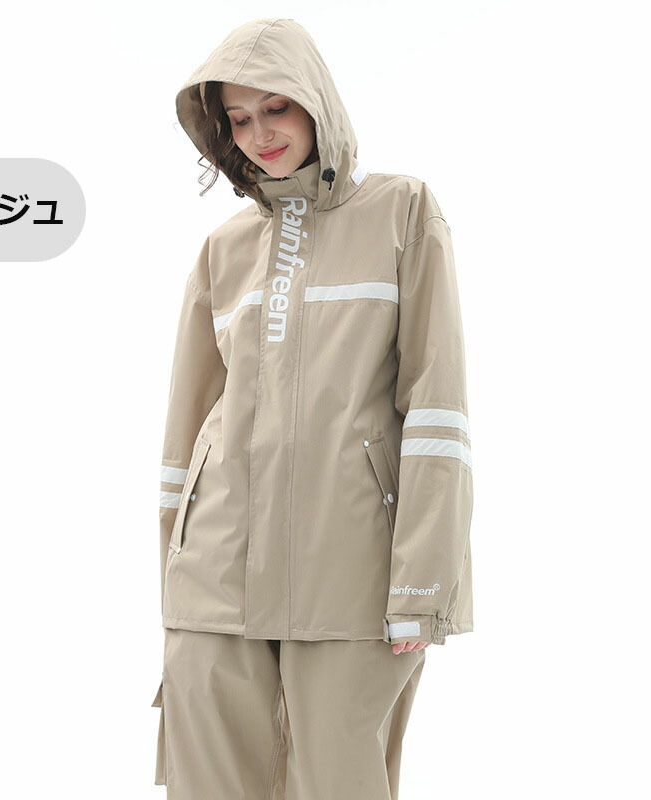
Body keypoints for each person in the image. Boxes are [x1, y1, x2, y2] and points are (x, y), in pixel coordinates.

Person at [151, 17, 474, 799]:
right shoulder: (223, 250)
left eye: (276, 108)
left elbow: (437, 409)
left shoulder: (402, 212)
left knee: (338, 782)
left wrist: (422, 587)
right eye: (238, 119)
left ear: (317, 104)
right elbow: (186, 432)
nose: (259, 134)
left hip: (349, 576)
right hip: (215, 580)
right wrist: (175, 577)